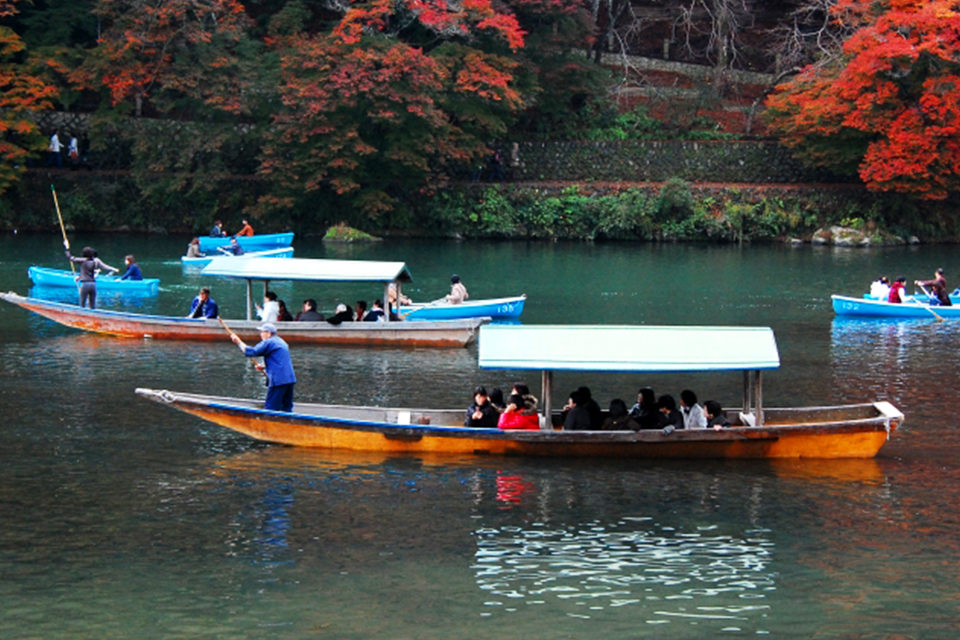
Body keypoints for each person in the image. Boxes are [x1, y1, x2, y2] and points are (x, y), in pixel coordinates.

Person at [230, 323, 296, 412]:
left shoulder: (269, 342)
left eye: (262, 332)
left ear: (269, 333)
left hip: (278, 380)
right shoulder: (281, 341)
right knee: (286, 407)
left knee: (271, 407)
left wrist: (238, 342)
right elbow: (280, 360)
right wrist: (264, 366)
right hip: (289, 379)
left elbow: (252, 351)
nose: (260, 334)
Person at [64, 242, 119, 309]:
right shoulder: (95, 261)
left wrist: (67, 248)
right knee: (92, 305)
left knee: (82, 304)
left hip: (85, 284)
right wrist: (79, 276)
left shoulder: (82, 260)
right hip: (93, 284)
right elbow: (103, 267)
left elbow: (70, 258)